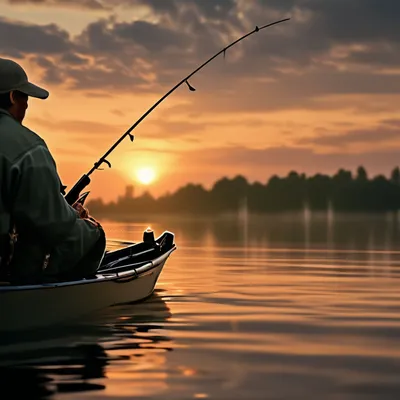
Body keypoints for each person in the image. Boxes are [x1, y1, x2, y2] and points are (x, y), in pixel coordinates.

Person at [0, 58, 106, 284]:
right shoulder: (30, 148)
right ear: (12, 97)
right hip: (8, 266)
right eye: (25, 97)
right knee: (93, 233)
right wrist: (75, 215)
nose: (27, 106)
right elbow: (53, 226)